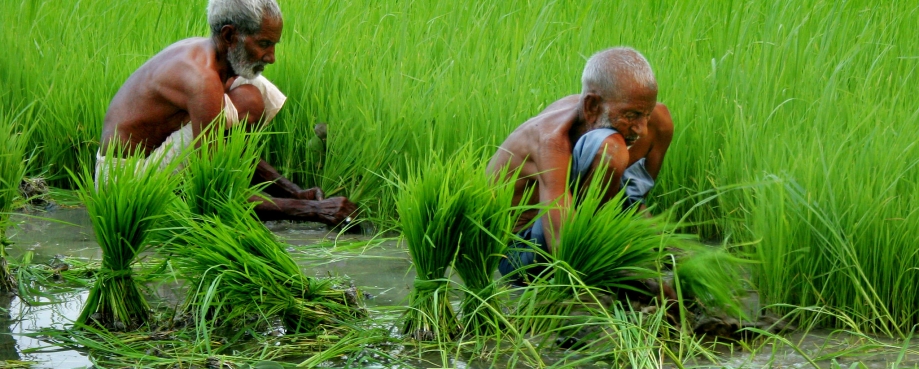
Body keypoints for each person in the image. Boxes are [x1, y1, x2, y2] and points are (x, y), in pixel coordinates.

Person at [96, 0, 356, 226]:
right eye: (264, 43)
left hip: (158, 158)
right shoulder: (200, 79)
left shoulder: (214, 57)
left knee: (253, 88)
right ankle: (186, 201)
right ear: (230, 36)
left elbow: (225, 146)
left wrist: (295, 192)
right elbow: (214, 189)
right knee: (248, 99)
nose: (272, 57)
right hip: (125, 187)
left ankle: (192, 196)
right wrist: (314, 211)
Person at [486, 47, 674, 281]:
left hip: (574, 216)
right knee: (610, 149)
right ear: (592, 106)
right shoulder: (549, 141)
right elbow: (560, 241)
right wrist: (635, 282)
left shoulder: (610, 113)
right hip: (522, 250)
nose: (641, 128)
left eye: (644, 114)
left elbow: (629, 204)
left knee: (661, 118)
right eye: (632, 115)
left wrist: (671, 251)